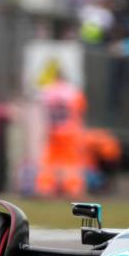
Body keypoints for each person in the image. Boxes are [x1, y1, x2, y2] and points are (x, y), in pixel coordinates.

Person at [35, 66, 87, 198]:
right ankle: (73, 188)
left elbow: (42, 109)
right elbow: (81, 109)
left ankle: (45, 187)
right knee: (70, 162)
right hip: (68, 131)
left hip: (52, 130)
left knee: (49, 161)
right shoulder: (73, 91)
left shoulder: (47, 91)